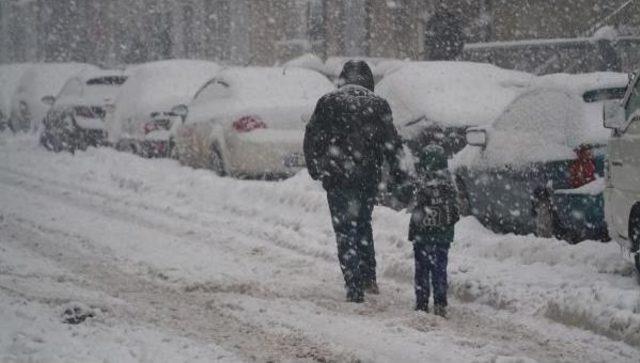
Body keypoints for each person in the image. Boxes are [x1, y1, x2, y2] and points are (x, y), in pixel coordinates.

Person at [303, 60, 404, 303]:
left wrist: (316, 168)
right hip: (367, 177)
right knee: (362, 224)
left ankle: (353, 284)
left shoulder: (328, 102)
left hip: (336, 177)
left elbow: (312, 136)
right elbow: (392, 144)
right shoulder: (378, 105)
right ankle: (369, 277)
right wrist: (398, 177)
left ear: (342, 79)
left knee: (344, 229)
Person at [406, 144, 458, 317]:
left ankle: (422, 302)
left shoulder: (421, 182)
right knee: (439, 270)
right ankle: (440, 303)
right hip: (442, 238)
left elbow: (413, 204)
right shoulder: (450, 183)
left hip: (423, 238)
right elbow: (455, 212)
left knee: (422, 270)